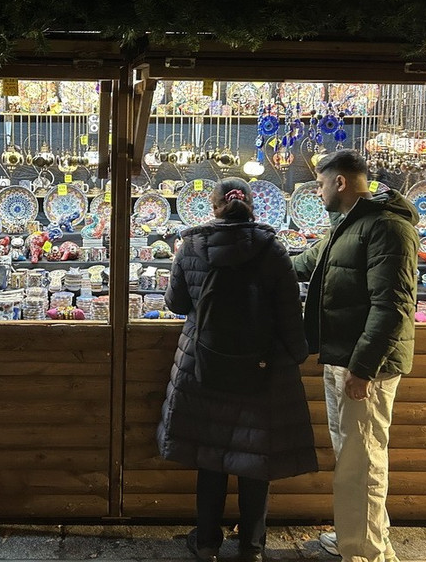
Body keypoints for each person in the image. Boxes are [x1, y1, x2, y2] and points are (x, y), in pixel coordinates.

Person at [157, 177, 317, 562]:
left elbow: (177, 303)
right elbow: (288, 313)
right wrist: (298, 354)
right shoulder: (273, 249)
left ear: (212, 208)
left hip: (204, 365)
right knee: (254, 459)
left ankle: (208, 542)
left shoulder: (191, 245)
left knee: (210, 456)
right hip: (263, 369)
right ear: (252, 204)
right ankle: (252, 547)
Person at [291, 150, 419, 562]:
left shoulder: (386, 228)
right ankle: (359, 538)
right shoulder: (348, 225)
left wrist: (362, 369)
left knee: (362, 460)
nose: (318, 191)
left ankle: (364, 554)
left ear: (340, 182)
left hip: (365, 367)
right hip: (343, 358)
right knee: (353, 455)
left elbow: (391, 307)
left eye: (321, 183)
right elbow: (303, 264)